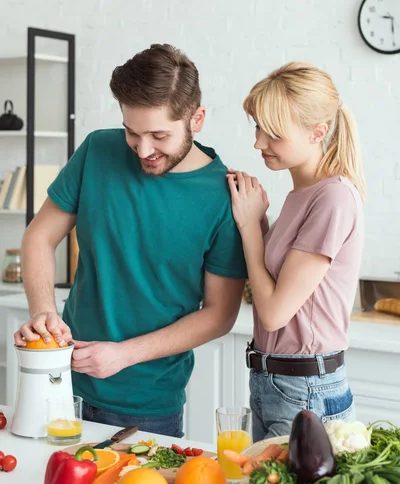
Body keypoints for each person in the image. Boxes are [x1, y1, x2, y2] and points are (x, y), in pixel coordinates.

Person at [15, 43, 247, 437]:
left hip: (146, 405)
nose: (144, 149)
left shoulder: (226, 198)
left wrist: (123, 355)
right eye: (132, 133)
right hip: (58, 381)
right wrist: (43, 311)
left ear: (197, 119)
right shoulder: (98, 150)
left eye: (159, 135)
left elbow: (220, 314)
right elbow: (39, 236)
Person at [227, 62, 365, 441]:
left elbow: (273, 313)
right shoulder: (299, 196)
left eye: (273, 133)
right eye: (258, 127)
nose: (259, 143)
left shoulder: (333, 197)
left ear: (317, 132)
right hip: (278, 382)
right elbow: (276, 278)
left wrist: (250, 226)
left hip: (306, 390)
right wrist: (260, 224)